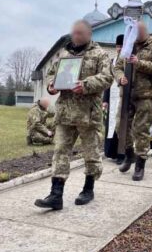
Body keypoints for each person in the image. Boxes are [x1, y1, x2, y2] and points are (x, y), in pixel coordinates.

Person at [35, 20, 113, 210]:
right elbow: (52, 74)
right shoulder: (64, 54)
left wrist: (85, 84)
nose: (76, 36)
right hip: (65, 113)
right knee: (60, 150)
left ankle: (88, 188)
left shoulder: (99, 54)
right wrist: (51, 86)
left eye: (80, 33)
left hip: (88, 113)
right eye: (74, 33)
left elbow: (107, 77)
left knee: (91, 153)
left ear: (89, 34)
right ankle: (56, 195)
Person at [114, 22, 152, 181]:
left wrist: (139, 63)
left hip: (146, 95)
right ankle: (129, 155)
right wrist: (120, 77)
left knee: (141, 130)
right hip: (127, 94)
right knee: (120, 126)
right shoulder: (127, 46)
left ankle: (140, 164)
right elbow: (117, 66)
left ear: (144, 32)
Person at [103, 34, 124, 165]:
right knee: (110, 124)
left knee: (121, 125)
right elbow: (107, 81)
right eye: (118, 46)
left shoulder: (128, 61)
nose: (119, 49)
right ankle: (110, 152)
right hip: (112, 96)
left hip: (123, 98)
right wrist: (105, 99)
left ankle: (121, 154)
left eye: (122, 46)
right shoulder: (111, 62)